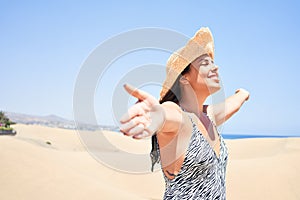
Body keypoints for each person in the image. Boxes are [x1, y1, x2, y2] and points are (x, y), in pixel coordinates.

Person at [120, 27, 249, 200]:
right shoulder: (179, 117)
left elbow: (233, 104)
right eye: (205, 63)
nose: (215, 67)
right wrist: (155, 114)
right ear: (184, 77)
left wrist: (243, 94)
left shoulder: (207, 117)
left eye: (212, 62)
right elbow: (166, 115)